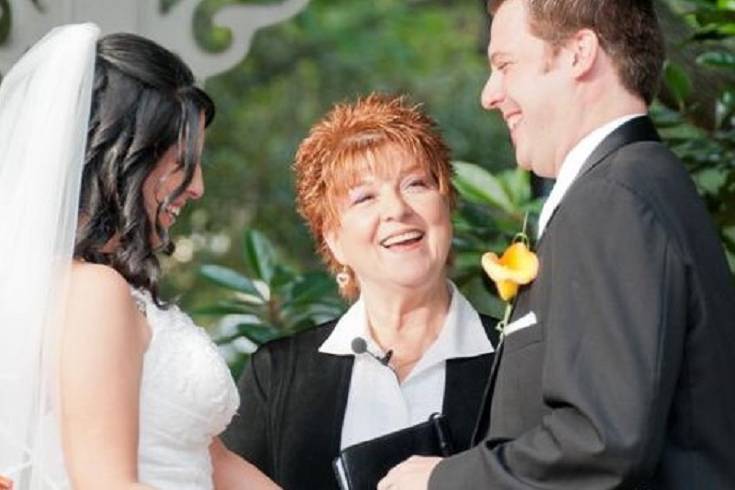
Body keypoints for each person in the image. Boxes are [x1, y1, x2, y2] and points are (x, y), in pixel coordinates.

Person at [379, 0, 735, 488]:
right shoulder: (640, 183)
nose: (490, 94)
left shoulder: (615, 198)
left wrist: (441, 480)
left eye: (505, 65)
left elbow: (602, 441)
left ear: (578, 54)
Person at [0, 25, 278, 490]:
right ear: (124, 159)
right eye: (180, 164)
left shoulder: (109, 287)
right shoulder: (93, 293)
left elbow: (212, 460)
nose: (197, 187)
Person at [221, 94, 498, 489]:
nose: (397, 210)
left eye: (415, 184)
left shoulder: (517, 359)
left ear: (446, 206)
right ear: (333, 239)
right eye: (365, 197)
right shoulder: (278, 375)